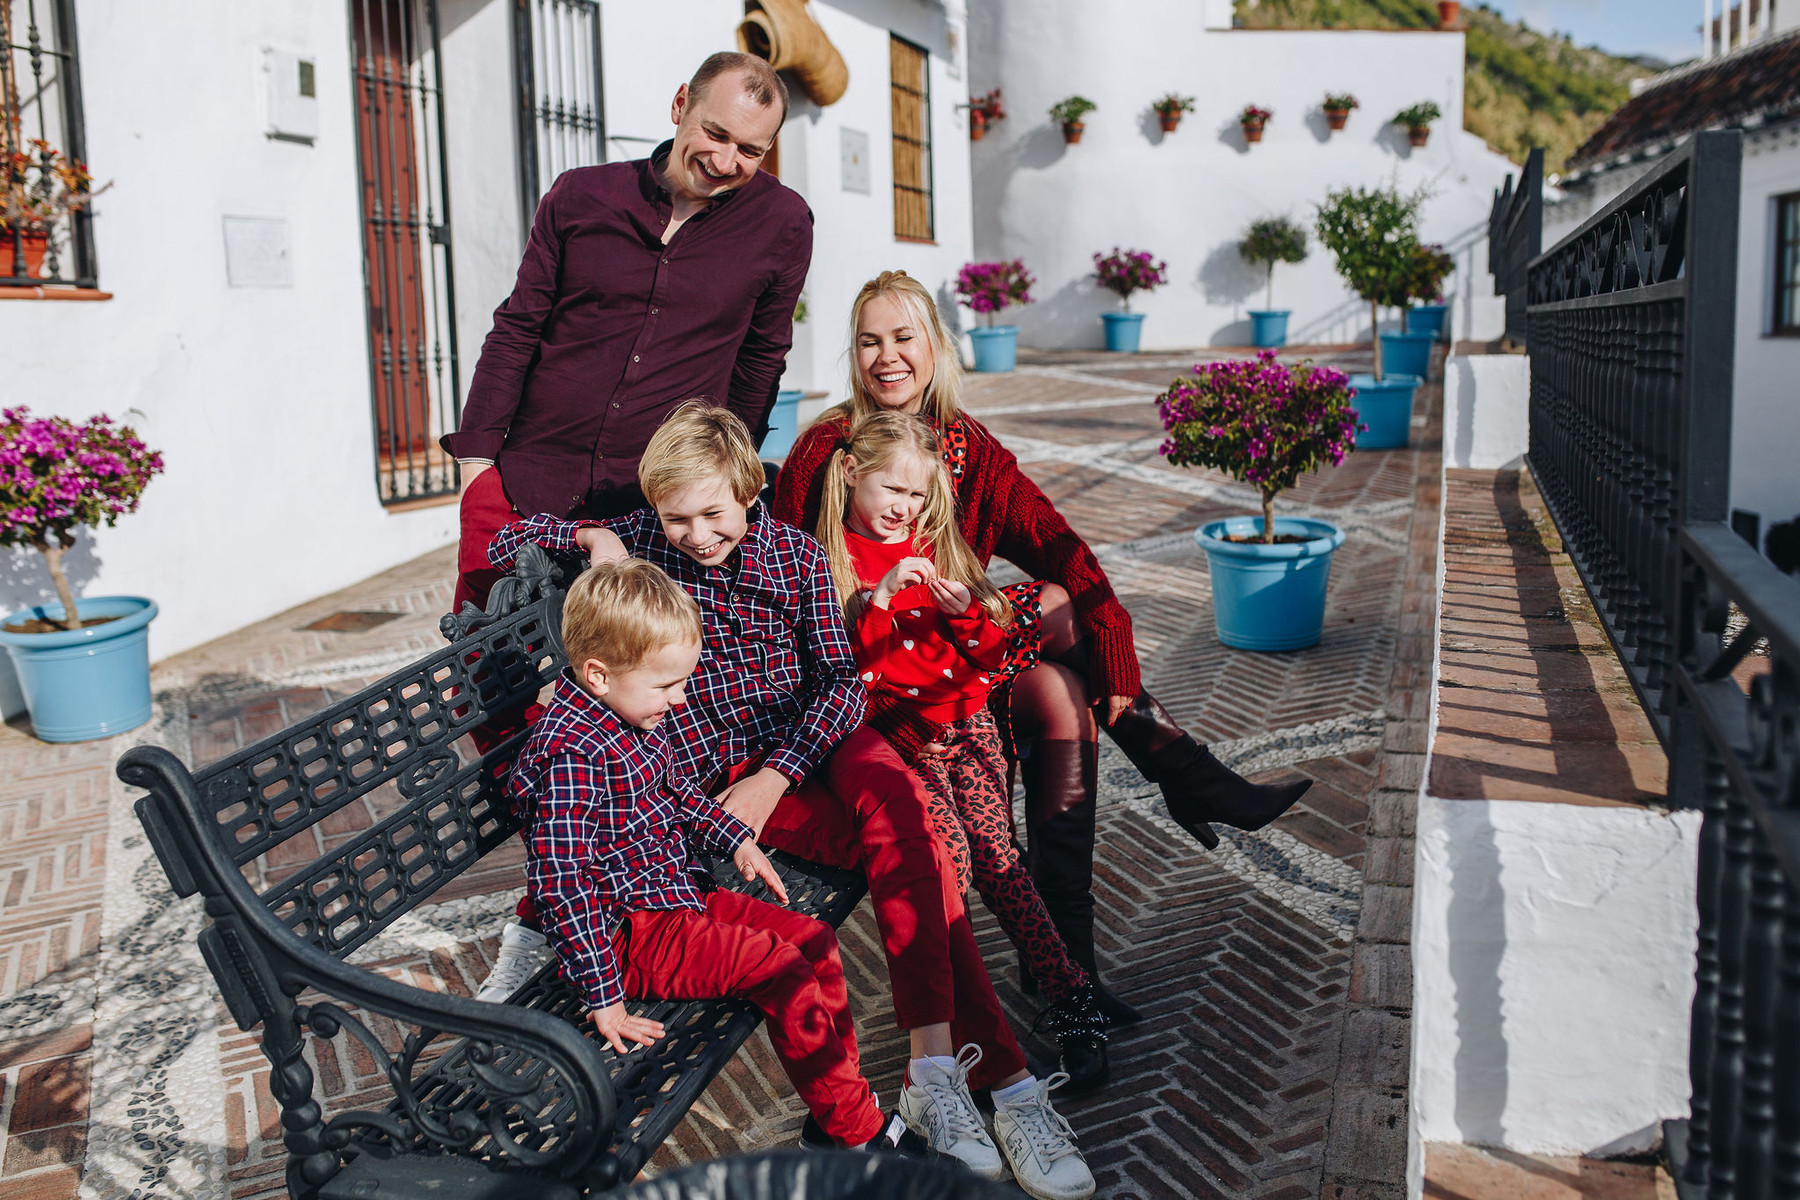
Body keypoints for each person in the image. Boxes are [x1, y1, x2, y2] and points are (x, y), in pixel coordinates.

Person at [490, 404, 1096, 1200]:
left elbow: (847, 684)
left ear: (750, 492)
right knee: (929, 859)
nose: (699, 535)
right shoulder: (645, 539)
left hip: (807, 748)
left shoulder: (794, 559)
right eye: (680, 519)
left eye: (715, 514)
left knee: (908, 822)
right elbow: (505, 541)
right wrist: (588, 540)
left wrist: (778, 773)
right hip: (712, 778)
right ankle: (996, 1081)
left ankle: (953, 1074)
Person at [771, 271, 1312, 1023]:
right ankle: (1182, 775)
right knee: (1058, 635)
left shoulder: (970, 450)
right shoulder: (829, 450)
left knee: (1063, 666)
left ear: (935, 346)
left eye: (904, 337)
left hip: (955, 668)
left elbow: (1060, 543)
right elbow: (777, 592)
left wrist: (1114, 642)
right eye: (869, 341)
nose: (886, 357)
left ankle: (1071, 968)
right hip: (873, 687)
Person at [513, 555, 931, 1154]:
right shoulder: (574, 758)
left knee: (812, 941)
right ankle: (860, 1134)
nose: (679, 700)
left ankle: (835, 1116)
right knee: (781, 971)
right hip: (633, 933)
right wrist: (603, 995)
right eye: (666, 685)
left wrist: (733, 836)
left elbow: (676, 791)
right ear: (599, 675)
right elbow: (562, 884)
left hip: (675, 896)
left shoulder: (625, 718)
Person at [442, 50, 812, 616]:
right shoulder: (579, 195)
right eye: (715, 132)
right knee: (486, 679)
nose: (724, 158)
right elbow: (518, 326)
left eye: (749, 150)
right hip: (525, 485)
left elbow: (761, 360)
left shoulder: (782, 224)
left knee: (636, 687)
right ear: (680, 103)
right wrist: (477, 468)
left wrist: (722, 482)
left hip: (656, 510)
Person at [811, 410, 1110, 1095]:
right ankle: (966, 1038)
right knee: (949, 869)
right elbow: (843, 670)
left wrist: (968, 615)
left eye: (917, 497)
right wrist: (877, 603)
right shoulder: (829, 561)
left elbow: (993, 652)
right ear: (853, 473)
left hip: (970, 729)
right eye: (893, 490)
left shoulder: (936, 545)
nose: (904, 509)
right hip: (905, 748)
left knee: (1002, 863)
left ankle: (1073, 1002)